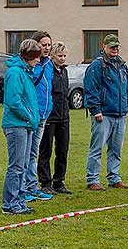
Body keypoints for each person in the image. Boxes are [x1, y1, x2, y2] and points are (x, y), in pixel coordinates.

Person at [84, 34, 128, 191]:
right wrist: (96, 110)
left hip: (120, 114)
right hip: (103, 114)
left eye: (117, 46)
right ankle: (92, 179)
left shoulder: (123, 65)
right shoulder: (97, 66)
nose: (115, 49)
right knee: (97, 147)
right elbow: (91, 89)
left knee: (116, 148)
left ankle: (114, 177)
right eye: (112, 47)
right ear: (104, 47)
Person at [1, 39, 41, 214]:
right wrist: (29, 117)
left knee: (23, 165)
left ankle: (19, 200)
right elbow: (13, 101)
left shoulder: (25, 72)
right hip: (17, 125)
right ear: (29, 56)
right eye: (37, 57)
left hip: (26, 125)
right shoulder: (16, 73)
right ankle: (9, 204)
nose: (39, 60)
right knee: (16, 165)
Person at [37, 42, 72, 194]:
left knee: (63, 150)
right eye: (60, 56)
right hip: (50, 116)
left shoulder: (64, 71)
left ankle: (59, 181)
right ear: (52, 56)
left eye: (64, 56)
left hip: (64, 116)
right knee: (46, 150)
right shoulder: (47, 70)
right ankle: (45, 182)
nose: (62, 58)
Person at [25, 31, 54, 201]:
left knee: (33, 152)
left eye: (49, 45)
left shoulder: (48, 64)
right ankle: (26, 187)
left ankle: (31, 186)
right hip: (31, 114)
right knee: (27, 153)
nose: (46, 48)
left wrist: (48, 108)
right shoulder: (30, 65)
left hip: (43, 115)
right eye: (43, 44)